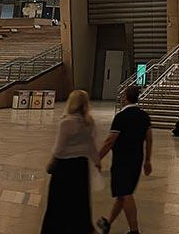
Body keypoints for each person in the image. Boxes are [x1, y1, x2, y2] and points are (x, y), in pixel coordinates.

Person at [41, 90, 100, 234]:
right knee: (79, 201)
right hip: (81, 166)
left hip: (64, 167)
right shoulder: (89, 122)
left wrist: (51, 161)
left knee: (58, 202)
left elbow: (59, 148)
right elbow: (90, 144)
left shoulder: (66, 122)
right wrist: (96, 160)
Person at [97, 86, 152, 234]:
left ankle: (134, 230)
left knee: (125, 193)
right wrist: (147, 160)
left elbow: (110, 141)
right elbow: (149, 139)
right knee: (122, 194)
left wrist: (97, 158)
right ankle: (108, 222)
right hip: (137, 159)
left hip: (122, 160)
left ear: (125, 98)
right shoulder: (144, 116)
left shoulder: (121, 117)